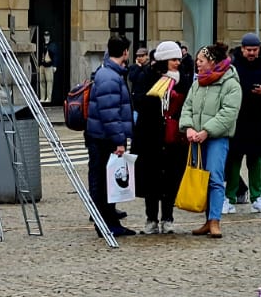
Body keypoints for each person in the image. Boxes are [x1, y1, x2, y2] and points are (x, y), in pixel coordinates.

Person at [178, 43, 242, 239]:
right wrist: (188, 127)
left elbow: (228, 114)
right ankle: (207, 220)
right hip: (197, 138)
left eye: (200, 61)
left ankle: (214, 220)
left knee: (214, 178)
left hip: (216, 138)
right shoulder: (198, 83)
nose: (197, 64)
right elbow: (187, 106)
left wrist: (206, 131)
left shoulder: (231, 84)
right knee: (201, 178)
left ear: (212, 62)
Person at [130, 41, 188, 235]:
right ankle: (151, 218)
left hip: (173, 137)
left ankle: (168, 217)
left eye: (179, 59)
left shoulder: (183, 78)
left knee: (171, 177)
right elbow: (138, 101)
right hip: (150, 135)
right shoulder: (147, 76)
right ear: (164, 60)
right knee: (150, 178)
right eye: (173, 59)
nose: (177, 63)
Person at [225, 33, 261, 214]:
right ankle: (229, 198)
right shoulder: (232, 67)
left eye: (254, 50)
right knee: (234, 160)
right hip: (237, 119)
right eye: (248, 50)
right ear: (242, 49)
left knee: (255, 160)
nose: (251, 53)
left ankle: (257, 197)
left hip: (258, 119)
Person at [84, 37, 135, 237]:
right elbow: (110, 113)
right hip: (103, 138)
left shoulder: (109, 73)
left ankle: (109, 222)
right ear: (125, 52)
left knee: (106, 183)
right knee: (102, 184)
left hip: (101, 136)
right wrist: (119, 141)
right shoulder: (110, 77)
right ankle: (105, 224)